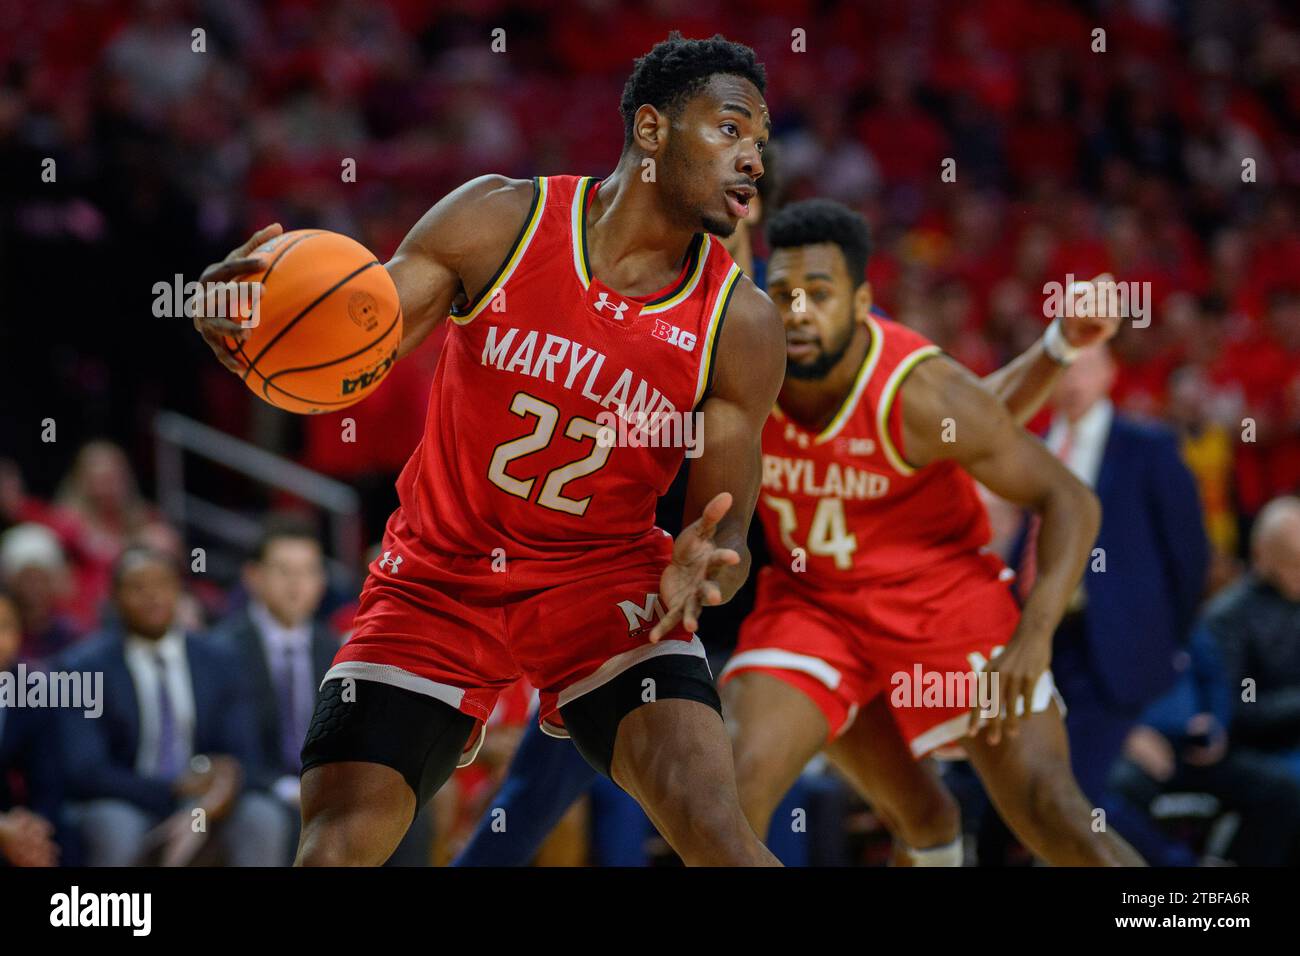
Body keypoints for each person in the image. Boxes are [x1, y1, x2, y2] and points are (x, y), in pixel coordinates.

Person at [193, 34, 786, 866]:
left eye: (761, 139)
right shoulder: (502, 220)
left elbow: (725, 530)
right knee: (335, 848)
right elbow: (365, 335)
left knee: (717, 835)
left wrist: (710, 566)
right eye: (731, 129)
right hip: (439, 575)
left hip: (606, 584)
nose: (753, 156)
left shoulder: (742, 324)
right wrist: (254, 315)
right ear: (651, 130)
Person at [718, 199, 1141, 866]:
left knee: (1052, 814)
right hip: (815, 605)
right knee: (730, 785)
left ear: (861, 304)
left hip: (944, 605)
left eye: (819, 295)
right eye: (784, 294)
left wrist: (1033, 638)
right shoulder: (746, 359)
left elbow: (1068, 499)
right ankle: (936, 840)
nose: (797, 311)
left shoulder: (918, 392)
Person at [60, 546, 288, 866]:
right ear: (114, 599)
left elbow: (244, 753)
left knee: (262, 816)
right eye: (137, 587)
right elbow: (85, 770)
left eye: (162, 585)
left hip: (202, 797)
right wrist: (173, 789)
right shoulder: (83, 667)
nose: (152, 596)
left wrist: (217, 786)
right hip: (124, 798)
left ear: (179, 592)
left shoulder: (219, 659)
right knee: (116, 827)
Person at [1206, 496, 1300, 780]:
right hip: (1266, 751)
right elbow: (1232, 710)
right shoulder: (1229, 618)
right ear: (1262, 555)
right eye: (1293, 563)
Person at [0, 588, 64, 866]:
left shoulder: (30, 690)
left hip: (12, 818)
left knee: (61, 842)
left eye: (3, 627)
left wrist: (35, 828)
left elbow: (47, 778)